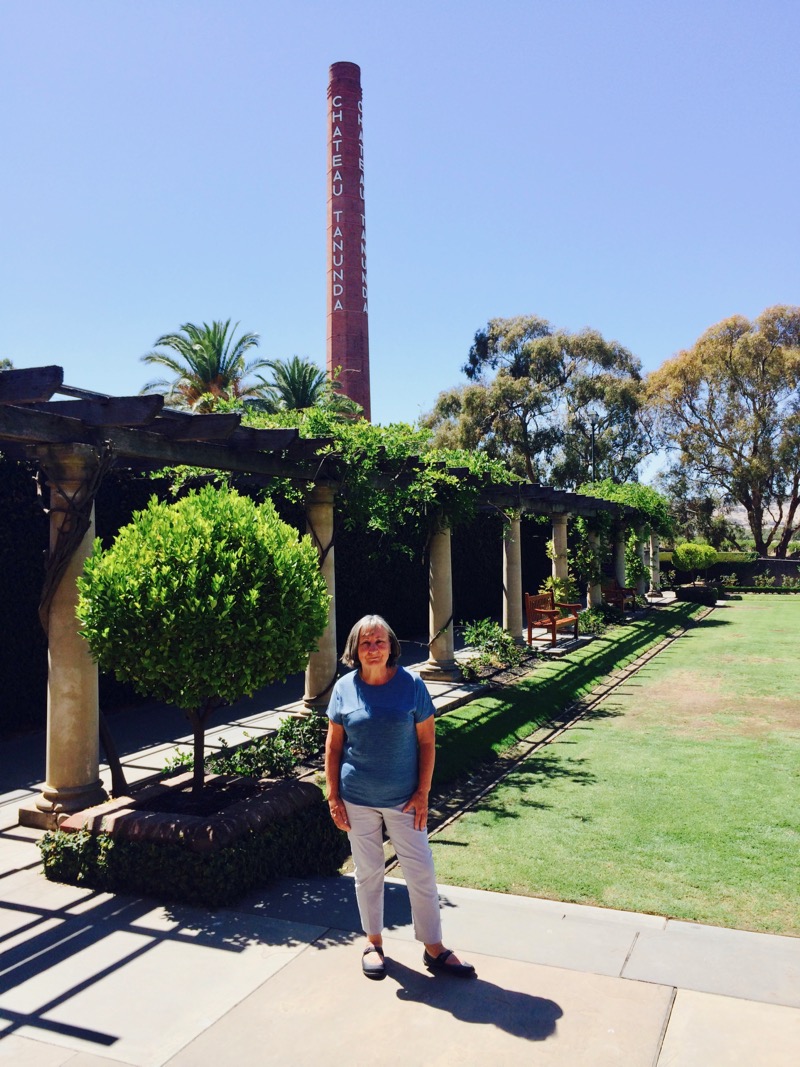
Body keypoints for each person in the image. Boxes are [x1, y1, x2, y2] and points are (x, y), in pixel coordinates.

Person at [325, 613, 477, 981]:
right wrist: (333, 795)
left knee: (420, 871)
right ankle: (373, 943)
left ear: (391, 646)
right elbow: (333, 745)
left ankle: (434, 947)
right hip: (357, 798)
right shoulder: (344, 688)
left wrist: (423, 792)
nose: (373, 648)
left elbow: (427, 741)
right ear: (355, 650)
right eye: (366, 643)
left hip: (405, 799)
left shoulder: (411, 685)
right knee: (368, 873)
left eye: (379, 641)